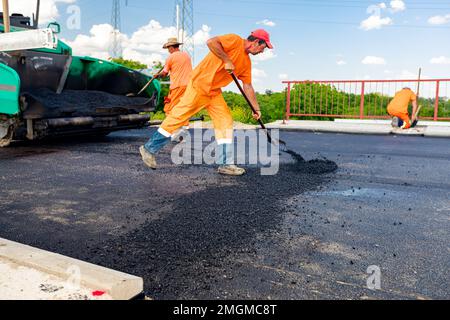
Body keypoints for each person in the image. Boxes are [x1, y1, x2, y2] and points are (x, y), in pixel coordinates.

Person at [139, 29, 273, 176]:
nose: (263, 51)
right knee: (178, 116)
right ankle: (149, 149)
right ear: (256, 42)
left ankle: (226, 164)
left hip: (214, 92)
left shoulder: (246, 62)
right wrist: (227, 60)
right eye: (263, 47)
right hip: (199, 85)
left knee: (225, 121)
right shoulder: (235, 40)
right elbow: (211, 42)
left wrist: (256, 108)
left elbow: (247, 86)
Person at [156, 38, 193, 141]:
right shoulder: (186, 55)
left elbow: (164, 73)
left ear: (172, 47)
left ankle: (177, 131)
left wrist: (157, 75)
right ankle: (181, 133)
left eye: (168, 48)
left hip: (177, 86)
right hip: (189, 86)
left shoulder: (171, 57)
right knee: (183, 107)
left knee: (169, 108)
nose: (168, 50)